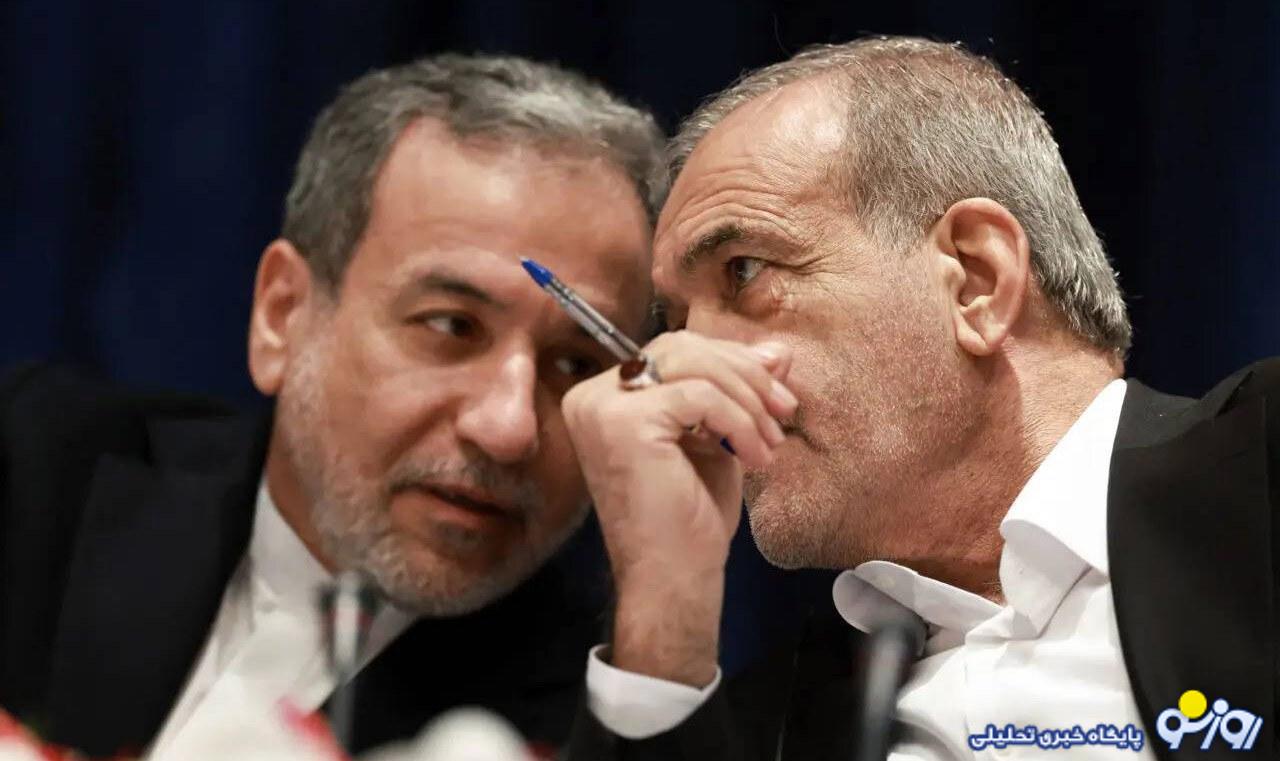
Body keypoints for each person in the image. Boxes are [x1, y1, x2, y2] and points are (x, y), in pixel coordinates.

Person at [562, 36, 1278, 760]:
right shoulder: (748, 728)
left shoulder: (1258, 474)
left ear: (976, 279)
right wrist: (663, 612)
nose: (683, 368)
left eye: (744, 271)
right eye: (675, 322)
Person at [0, 53, 666, 757]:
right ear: (282, 315)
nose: (508, 427)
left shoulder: (600, 718)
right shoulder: (36, 468)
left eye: (576, 365)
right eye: (452, 326)